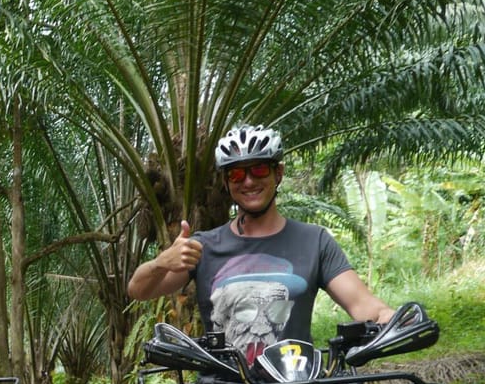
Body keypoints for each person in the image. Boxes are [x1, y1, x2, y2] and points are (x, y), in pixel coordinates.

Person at [127, 124, 394, 364]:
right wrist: (160, 263)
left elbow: (365, 306)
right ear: (226, 182)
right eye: (236, 175)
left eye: (258, 169)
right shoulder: (202, 247)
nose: (249, 181)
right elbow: (138, 290)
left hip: (297, 382)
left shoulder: (314, 241)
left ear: (278, 173)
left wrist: (394, 319)